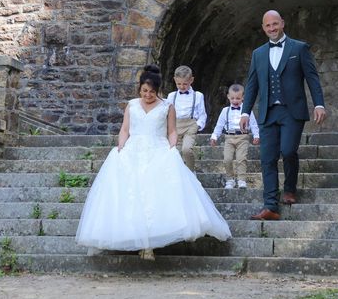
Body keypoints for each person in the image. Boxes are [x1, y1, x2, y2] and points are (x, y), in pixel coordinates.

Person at [76, 65, 231, 260]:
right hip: (133, 149)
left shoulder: (167, 106)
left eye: (151, 91)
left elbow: (172, 131)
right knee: (131, 194)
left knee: (155, 193)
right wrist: (121, 146)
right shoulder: (132, 105)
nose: (147, 95)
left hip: (158, 148)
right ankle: (135, 239)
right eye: (144, 91)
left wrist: (172, 146)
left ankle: (150, 244)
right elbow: (125, 129)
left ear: (158, 90)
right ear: (139, 89)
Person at [240, 10, 327, 221]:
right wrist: (244, 111)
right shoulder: (258, 54)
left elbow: (312, 78)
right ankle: (270, 206)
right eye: (268, 25)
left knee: (288, 151)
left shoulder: (299, 48)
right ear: (263, 28)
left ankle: (290, 188)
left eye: (275, 24)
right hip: (268, 112)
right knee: (267, 159)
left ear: (283, 23)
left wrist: (319, 104)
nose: (272, 28)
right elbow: (252, 85)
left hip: (292, 111)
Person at [210, 84, 260, 189]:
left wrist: (256, 135)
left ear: (243, 97)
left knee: (241, 158)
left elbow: (254, 124)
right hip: (229, 137)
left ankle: (241, 180)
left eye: (238, 98)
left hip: (243, 137)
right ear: (228, 97)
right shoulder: (225, 111)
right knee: (227, 159)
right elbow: (219, 125)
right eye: (232, 98)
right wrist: (214, 136)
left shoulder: (247, 111)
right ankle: (230, 179)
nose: (235, 100)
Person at [166, 65, 207, 171]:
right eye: (179, 83)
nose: (182, 86)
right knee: (175, 151)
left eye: (185, 83)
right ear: (175, 80)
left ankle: (190, 171)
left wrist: (197, 126)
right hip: (176, 126)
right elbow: (168, 113)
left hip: (190, 125)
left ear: (191, 80)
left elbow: (202, 114)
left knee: (187, 149)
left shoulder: (198, 96)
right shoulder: (171, 96)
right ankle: (178, 174)